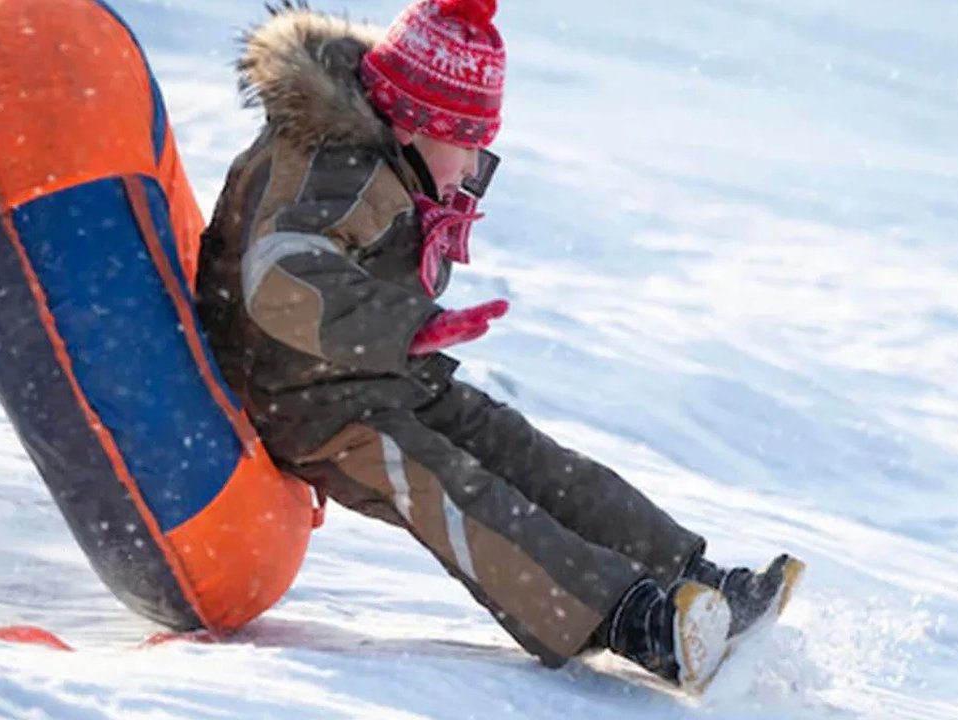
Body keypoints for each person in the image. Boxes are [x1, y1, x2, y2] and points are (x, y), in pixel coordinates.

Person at [195, 0, 804, 689]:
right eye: (470, 145)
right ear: (421, 122)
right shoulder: (341, 168)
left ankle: (692, 579)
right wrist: (407, 327)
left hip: (372, 374)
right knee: (452, 489)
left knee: (522, 454)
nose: (471, 169)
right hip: (301, 397)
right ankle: (638, 622)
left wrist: (405, 338)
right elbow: (280, 276)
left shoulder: (387, 159)